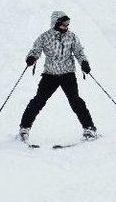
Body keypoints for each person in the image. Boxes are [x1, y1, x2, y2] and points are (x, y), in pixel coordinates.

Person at [18, 11, 97, 143]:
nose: (66, 26)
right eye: (63, 24)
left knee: (75, 101)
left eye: (68, 24)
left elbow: (78, 52)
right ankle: (24, 128)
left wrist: (84, 63)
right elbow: (36, 49)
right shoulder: (45, 37)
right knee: (38, 101)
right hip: (50, 74)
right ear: (56, 23)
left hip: (67, 74)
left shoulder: (71, 37)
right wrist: (31, 58)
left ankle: (89, 128)